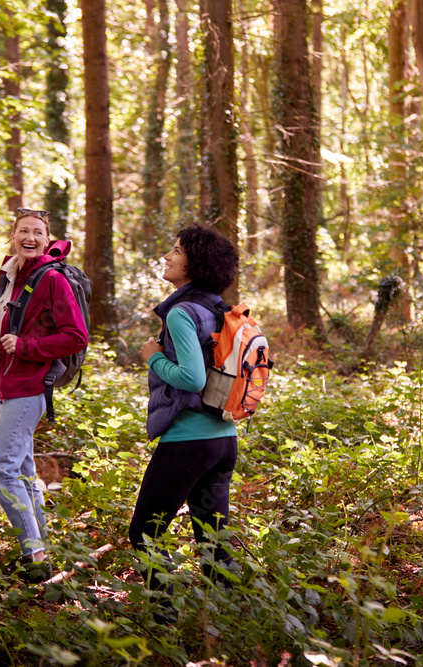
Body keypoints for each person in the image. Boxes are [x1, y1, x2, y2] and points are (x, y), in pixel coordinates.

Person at [0, 207, 88, 583]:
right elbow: (6, 321)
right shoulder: (8, 274)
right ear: (14, 236)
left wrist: (25, 347)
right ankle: (44, 549)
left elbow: (75, 337)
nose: (31, 238)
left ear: (48, 239)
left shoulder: (52, 279)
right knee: (21, 469)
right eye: (24, 231)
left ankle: (33, 552)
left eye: (38, 232)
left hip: (26, 388)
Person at [132, 224, 240, 622]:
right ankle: (228, 626)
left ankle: (165, 622)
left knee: (145, 533)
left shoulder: (181, 311)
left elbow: (193, 379)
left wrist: (153, 356)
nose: (167, 256)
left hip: (187, 443)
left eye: (176, 251)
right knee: (214, 543)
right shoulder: (219, 310)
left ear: (194, 264)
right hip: (223, 440)